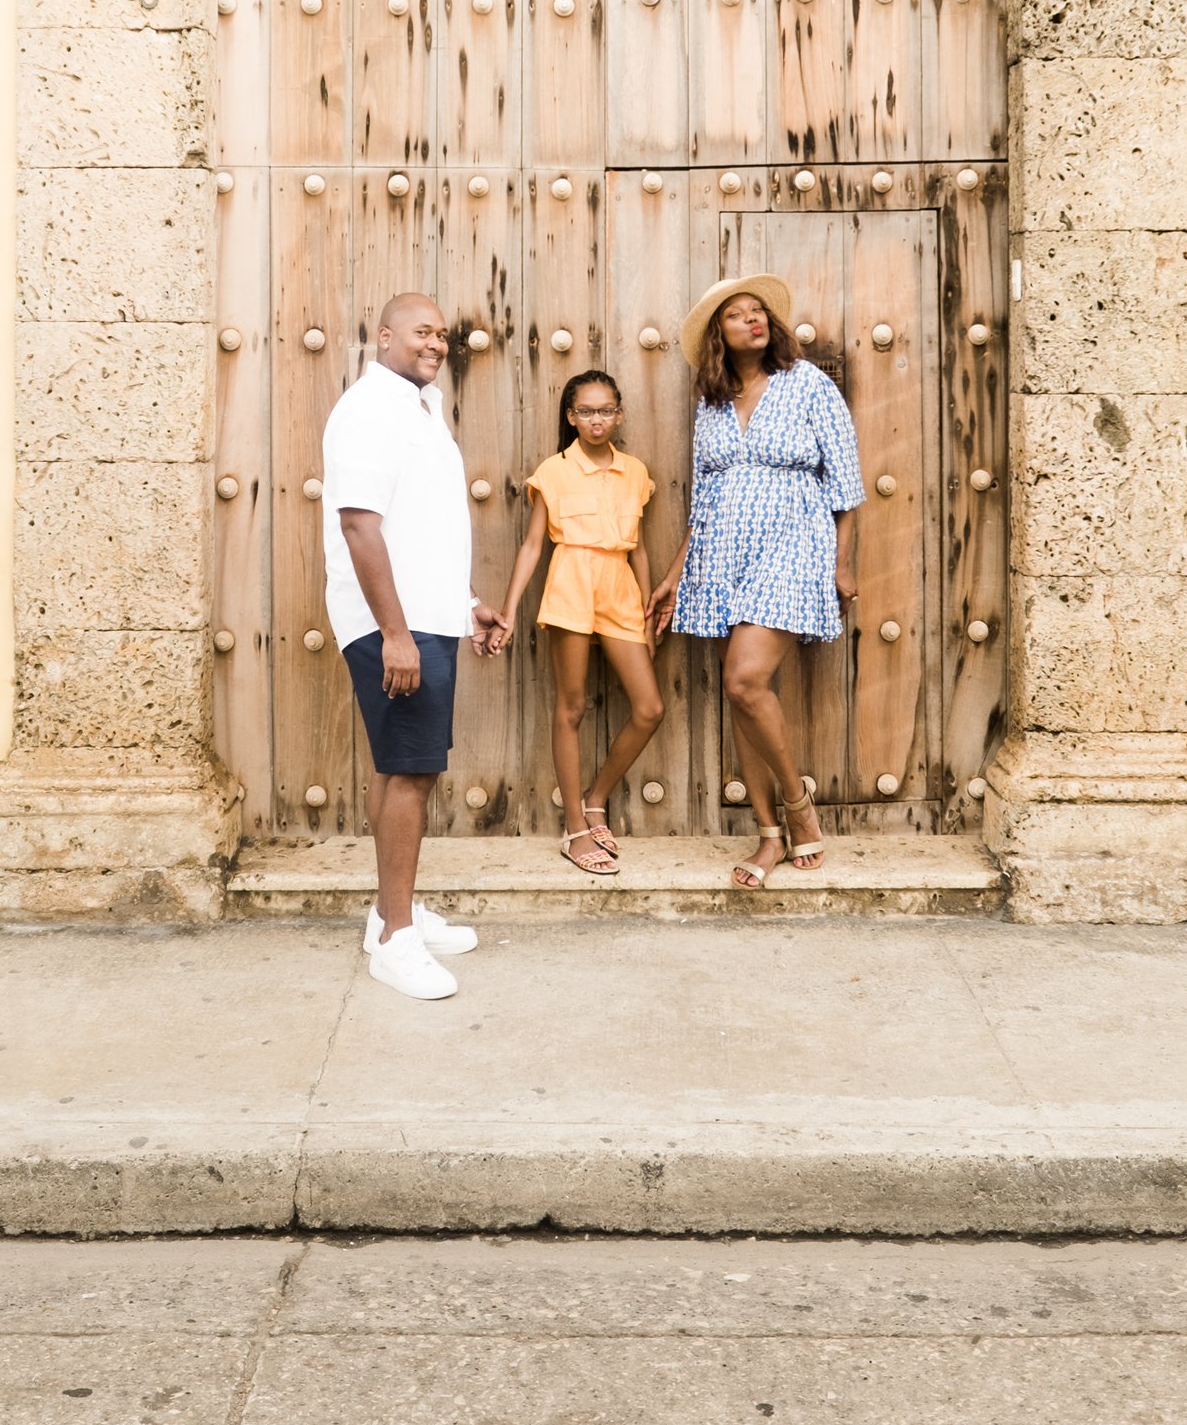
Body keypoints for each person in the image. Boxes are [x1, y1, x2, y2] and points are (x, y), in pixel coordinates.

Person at [645, 279, 863, 888]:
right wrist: (675, 573)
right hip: (719, 554)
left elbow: (846, 483)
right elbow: (702, 499)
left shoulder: (808, 383)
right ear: (719, 334)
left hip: (792, 543)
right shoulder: (712, 402)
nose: (753, 320)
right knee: (741, 695)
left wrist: (842, 564)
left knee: (744, 679)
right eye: (737, 315)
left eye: (758, 311)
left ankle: (798, 806)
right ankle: (768, 835)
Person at [322, 293, 509, 1000]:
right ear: (384, 336)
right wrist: (396, 633)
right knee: (412, 774)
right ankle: (397, 941)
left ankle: (387, 917)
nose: (436, 343)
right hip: (392, 624)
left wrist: (465, 604)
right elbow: (359, 526)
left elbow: (421, 529)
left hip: (423, 617)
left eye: (442, 334)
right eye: (422, 331)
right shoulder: (370, 409)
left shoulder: (419, 409)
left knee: (398, 766)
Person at [496, 370, 664, 876]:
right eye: (586, 411)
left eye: (606, 410)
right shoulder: (554, 470)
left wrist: (646, 611)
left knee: (650, 708)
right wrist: (508, 610)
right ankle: (574, 829)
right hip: (571, 580)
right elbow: (533, 547)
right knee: (571, 706)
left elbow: (639, 548)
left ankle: (596, 799)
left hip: (619, 586)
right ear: (571, 416)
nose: (597, 420)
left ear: (619, 414)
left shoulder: (635, 471)